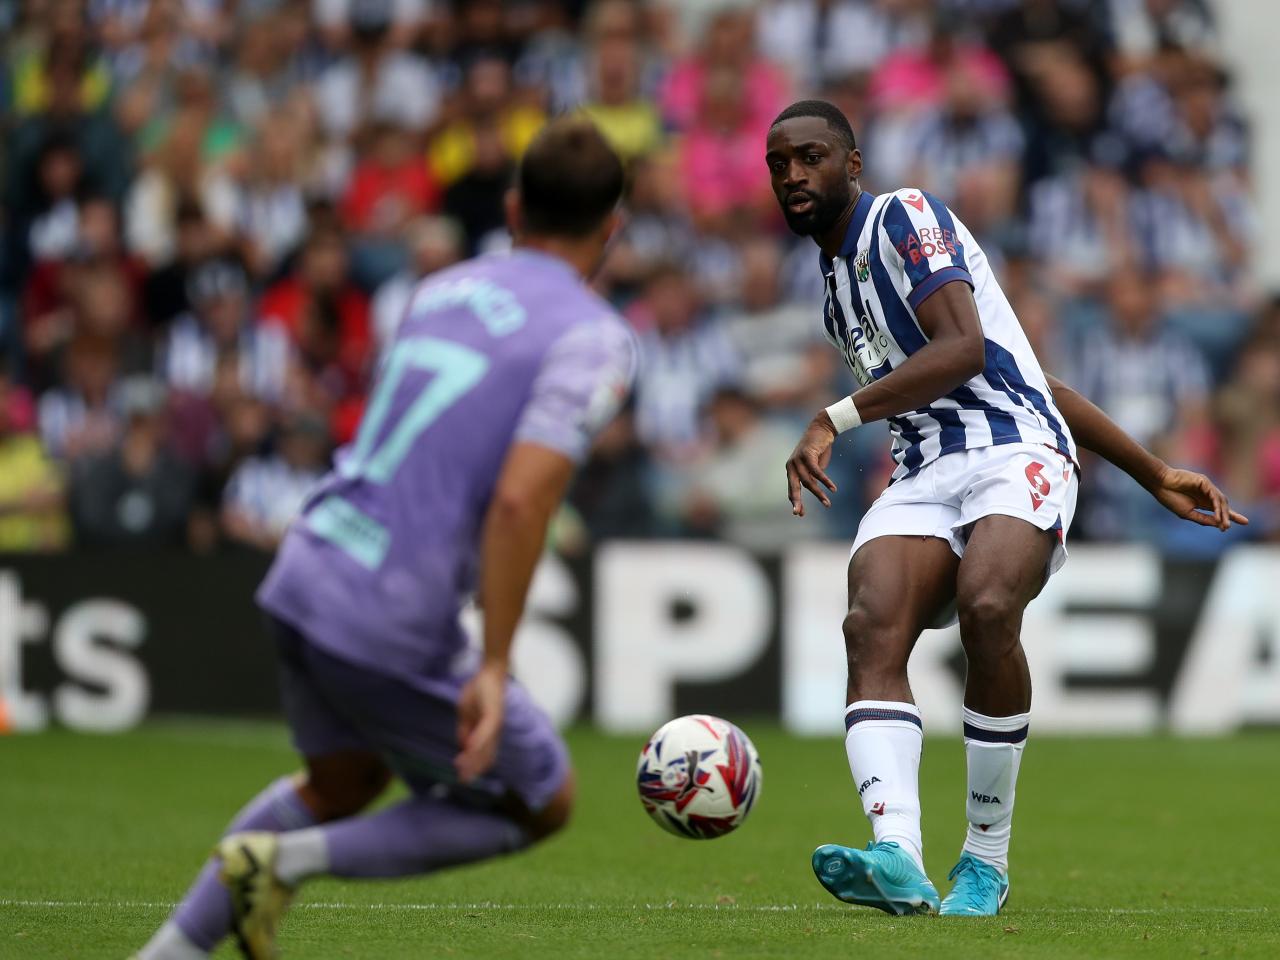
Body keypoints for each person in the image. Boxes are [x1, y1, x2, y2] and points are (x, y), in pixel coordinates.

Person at [134, 117, 634, 960]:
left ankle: (168, 953)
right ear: (613, 231)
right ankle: (282, 863)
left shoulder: (435, 290)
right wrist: (494, 662)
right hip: (388, 607)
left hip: (309, 555)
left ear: (512, 208)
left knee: (343, 781)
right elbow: (520, 503)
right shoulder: (592, 337)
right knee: (541, 797)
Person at [765, 99, 1246, 917]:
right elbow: (1033, 366)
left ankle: (985, 862)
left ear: (852, 163)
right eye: (778, 165)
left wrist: (833, 417)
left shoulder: (903, 215)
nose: (793, 176)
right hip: (923, 470)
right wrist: (1152, 468)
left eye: (810, 157)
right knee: (869, 624)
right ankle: (898, 857)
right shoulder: (835, 292)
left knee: (990, 606)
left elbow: (967, 352)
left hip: (1015, 449)